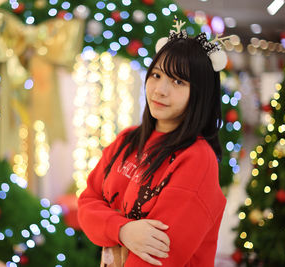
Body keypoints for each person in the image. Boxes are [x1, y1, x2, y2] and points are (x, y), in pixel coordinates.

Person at [77, 21, 227, 267]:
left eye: (178, 81)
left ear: (200, 93)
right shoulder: (127, 140)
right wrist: (123, 230)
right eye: (156, 75)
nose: (160, 90)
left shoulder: (196, 159)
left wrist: (108, 224)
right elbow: (87, 203)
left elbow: (158, 255)